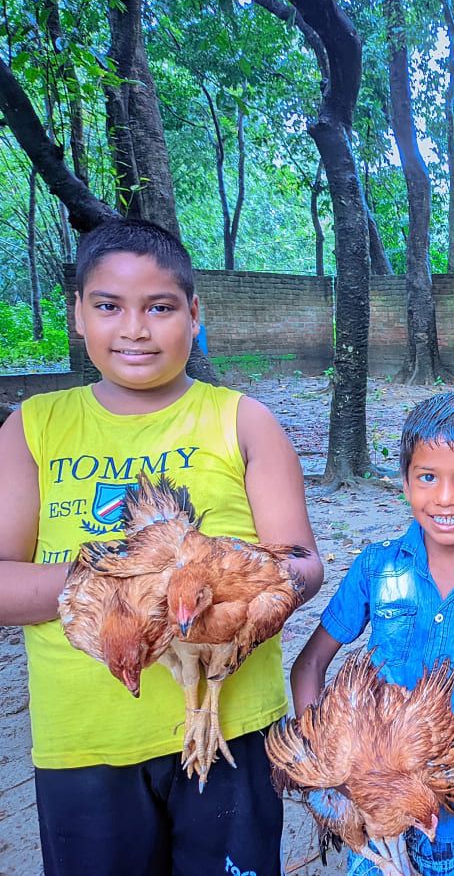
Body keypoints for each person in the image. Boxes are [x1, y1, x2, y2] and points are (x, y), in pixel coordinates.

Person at [0, 218, 324, 875]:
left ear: (194, 314)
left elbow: (302, 564)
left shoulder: (242, 421)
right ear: (78, 316)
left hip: (231, 734)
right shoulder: (34, 428)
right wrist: (130, 580)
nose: (135, 329)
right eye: (109, 306)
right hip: (84, 743)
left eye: (160, 307)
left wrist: (231, 580)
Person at [292, 391, 454, 876]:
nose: (445, 498)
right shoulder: (377, 569)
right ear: (406, 483)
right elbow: (308, 664)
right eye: (428, 478)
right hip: (374, 821)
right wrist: (328, 758)